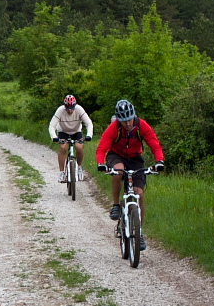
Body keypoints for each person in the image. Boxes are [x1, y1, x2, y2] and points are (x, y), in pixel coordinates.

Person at [96, 99, 165, 251]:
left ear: (133, 115)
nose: (127, 124)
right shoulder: (113, 128)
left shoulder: (141, 126)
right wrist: (101, 163)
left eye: (129, 120)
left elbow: (154, 144)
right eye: (123, 121)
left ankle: (139, 233)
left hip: (135, 158)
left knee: (139, 194)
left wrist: (159, 161)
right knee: (118, 172)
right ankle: (115, 205)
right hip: (117, 156)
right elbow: (102, 148)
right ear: (118, 120)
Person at [48, 95, 93, 183]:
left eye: (72, 108)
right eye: (67, 108)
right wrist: (54, 137)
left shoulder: (79, 109)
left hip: (76, 131)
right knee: (63, 147)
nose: (70, 110)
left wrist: (89, 136)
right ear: (64, 107)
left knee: (79, 147)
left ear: (75, 106)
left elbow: (89, 124)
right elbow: (52, 126)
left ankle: (79, 167)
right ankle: (61, 173)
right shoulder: (60, 111)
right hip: (63, 131)